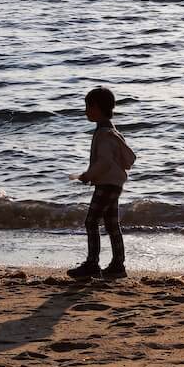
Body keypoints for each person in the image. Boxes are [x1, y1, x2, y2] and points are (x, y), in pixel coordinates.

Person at [67, 87, 137, 280]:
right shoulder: (111, 131)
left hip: (107, 184)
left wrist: (88, 175)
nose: (86, 111)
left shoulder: (104, 134)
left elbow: (105, 162)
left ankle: (92, 263)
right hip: (114, 183)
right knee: (112, 224)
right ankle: (117, 265)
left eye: (88, 106)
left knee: (91, 222)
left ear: (97, 107)